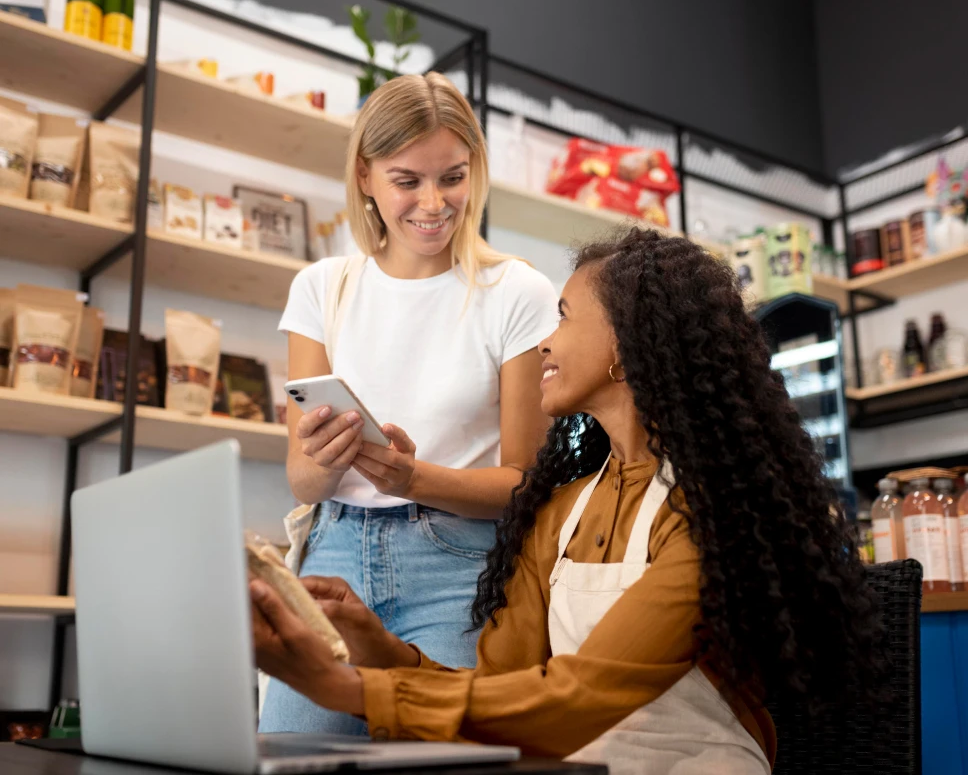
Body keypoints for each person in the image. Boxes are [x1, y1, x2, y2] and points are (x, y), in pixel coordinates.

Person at [251, 228, 885, 773]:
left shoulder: (707, 514)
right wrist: (374, 646)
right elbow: (500, 695)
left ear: (625, 345)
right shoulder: (560, 511)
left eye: (563, 316)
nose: (544, 343)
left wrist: (347, 687)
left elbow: (579, 697)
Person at [257, 72, 558, 735]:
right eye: (407, 180)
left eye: (452, 176)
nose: (433, 202)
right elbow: (302, 479)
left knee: (437, 758)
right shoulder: (322, 289)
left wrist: (414, 478)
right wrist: (329, 460)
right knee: (291, 756)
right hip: (332, 557)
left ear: (474, 170)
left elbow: (525, 484)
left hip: (457, 567)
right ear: (365, 176)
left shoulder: (518, 294)